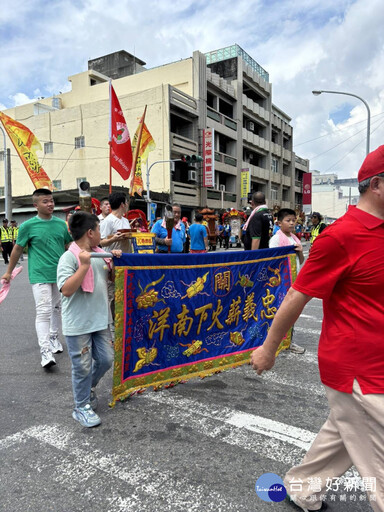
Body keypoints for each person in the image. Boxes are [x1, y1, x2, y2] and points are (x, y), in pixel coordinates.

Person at [250, 145, 384, 512]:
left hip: (378, 364)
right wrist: (268, 347)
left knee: (344, 433)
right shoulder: (341, 236)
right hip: (355, 370)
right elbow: (297, 294)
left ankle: (302, 489)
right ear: (377, 185)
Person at [57, 211, 121, 428]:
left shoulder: (100, 253)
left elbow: (109, 278)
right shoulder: (69, 257)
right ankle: (81, 406)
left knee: (106, 360)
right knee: (82, 367)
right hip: (79, 325)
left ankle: (89, 388)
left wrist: (116, 262)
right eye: (99, 229)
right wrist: (83, 266)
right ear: (90, 232)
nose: (101, 234)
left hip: (101, 320)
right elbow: (66, 289)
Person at [1, 189, 73, 368]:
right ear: (36, 205)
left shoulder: (61, 225)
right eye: (45, 201)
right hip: (39, 273)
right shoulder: (28, 226)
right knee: (43, 311)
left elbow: (68, 244)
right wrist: (9, 271)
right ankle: (45, 351)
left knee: (57, 308)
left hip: (59, 273)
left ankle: (54, 337)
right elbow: (18, 249)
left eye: (51, 201)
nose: (50, 204)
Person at [269, 208, 305, 355]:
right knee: (279, 311)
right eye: (287, 220)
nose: (291, 223)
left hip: (294, 281)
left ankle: (288, 341)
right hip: (280, 283)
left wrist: (301, 251)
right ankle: (275, 342)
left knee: (291, 312)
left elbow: (300, 261)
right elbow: (272, 262)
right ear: (279, 222)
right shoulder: (276, 239)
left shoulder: (295, 239)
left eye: (293, 220)